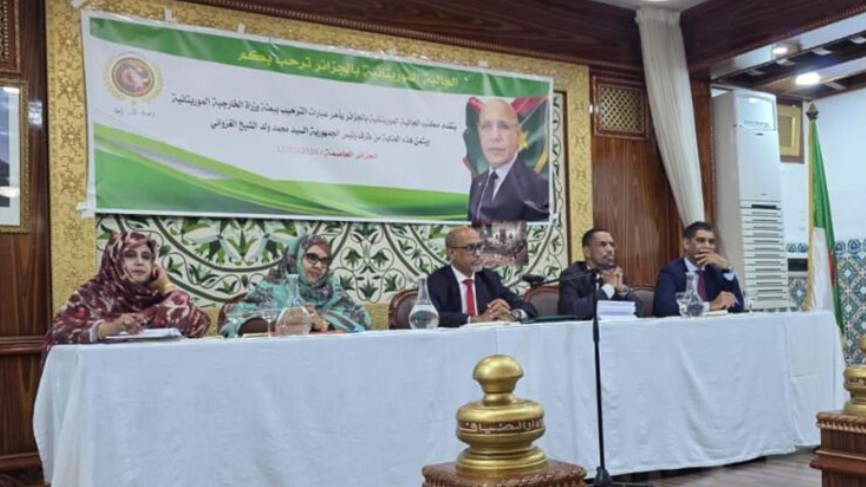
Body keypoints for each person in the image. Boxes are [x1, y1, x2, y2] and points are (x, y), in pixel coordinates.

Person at [45, 232, 209, 349]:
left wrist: (166, 286)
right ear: (114, 260)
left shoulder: (160, 297)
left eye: (146, 257)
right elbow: (59, 335)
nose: (140, 262)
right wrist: (108, 328)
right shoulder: (92, 295)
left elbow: (195, 327)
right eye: (130, 255)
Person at [219, 234, 370, 337]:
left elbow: (363, 320)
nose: (318, 265)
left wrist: (322, 323)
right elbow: (233, 322)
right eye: (311, 257)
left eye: (324, 261)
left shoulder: (332, 289)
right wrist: (283, 323)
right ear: (294, 258)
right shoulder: (272, 287)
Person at [427, 227, 537, 327]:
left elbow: (526, 307)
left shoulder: (489, 278)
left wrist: (513, 315)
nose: (478, 254)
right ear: (452, 252)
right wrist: (473, 319)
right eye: (470, 248)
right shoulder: (436, 281)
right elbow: (430, 315)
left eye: (480, 247)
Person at [467, 99, 549, 222]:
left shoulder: (539, 188)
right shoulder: (477, 184)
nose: (494, 137)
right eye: (486, 126)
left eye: (504, 126)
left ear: (518, 133)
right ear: (479, 133)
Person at [653, 221, 744, 317]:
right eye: (701, 241)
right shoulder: (671, 271)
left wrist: (727, 270)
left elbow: (737, 307)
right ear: (686, 244)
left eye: (711, 242)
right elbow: (663, 309)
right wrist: (710, 306)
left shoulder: (715, 272)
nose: (707, 246)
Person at [557, 228, 643, 320]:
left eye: (612, 245)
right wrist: (608, 288)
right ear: (587, 252)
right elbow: (571, 312)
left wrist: (622, 291)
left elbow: (639, 311)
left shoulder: (615, 275)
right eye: (603, 244)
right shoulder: (572, 275)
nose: (610, 250)